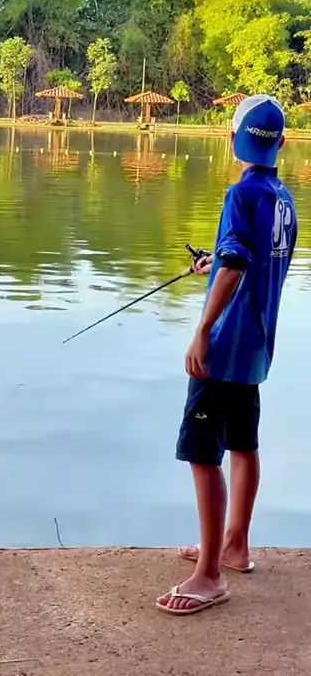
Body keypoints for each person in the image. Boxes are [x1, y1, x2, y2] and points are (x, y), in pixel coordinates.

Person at [157, 94, 297, 616]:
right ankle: (236, 544)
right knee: (243, 442)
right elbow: (245, 260)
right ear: (280, 144)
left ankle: (210, 575)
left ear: (231, 137)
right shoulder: (283, 199)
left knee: (202, 451)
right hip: (257, 344)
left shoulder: (241, 193)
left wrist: (202, 330)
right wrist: (212, 264)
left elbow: (236, 266)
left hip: (225, 346)